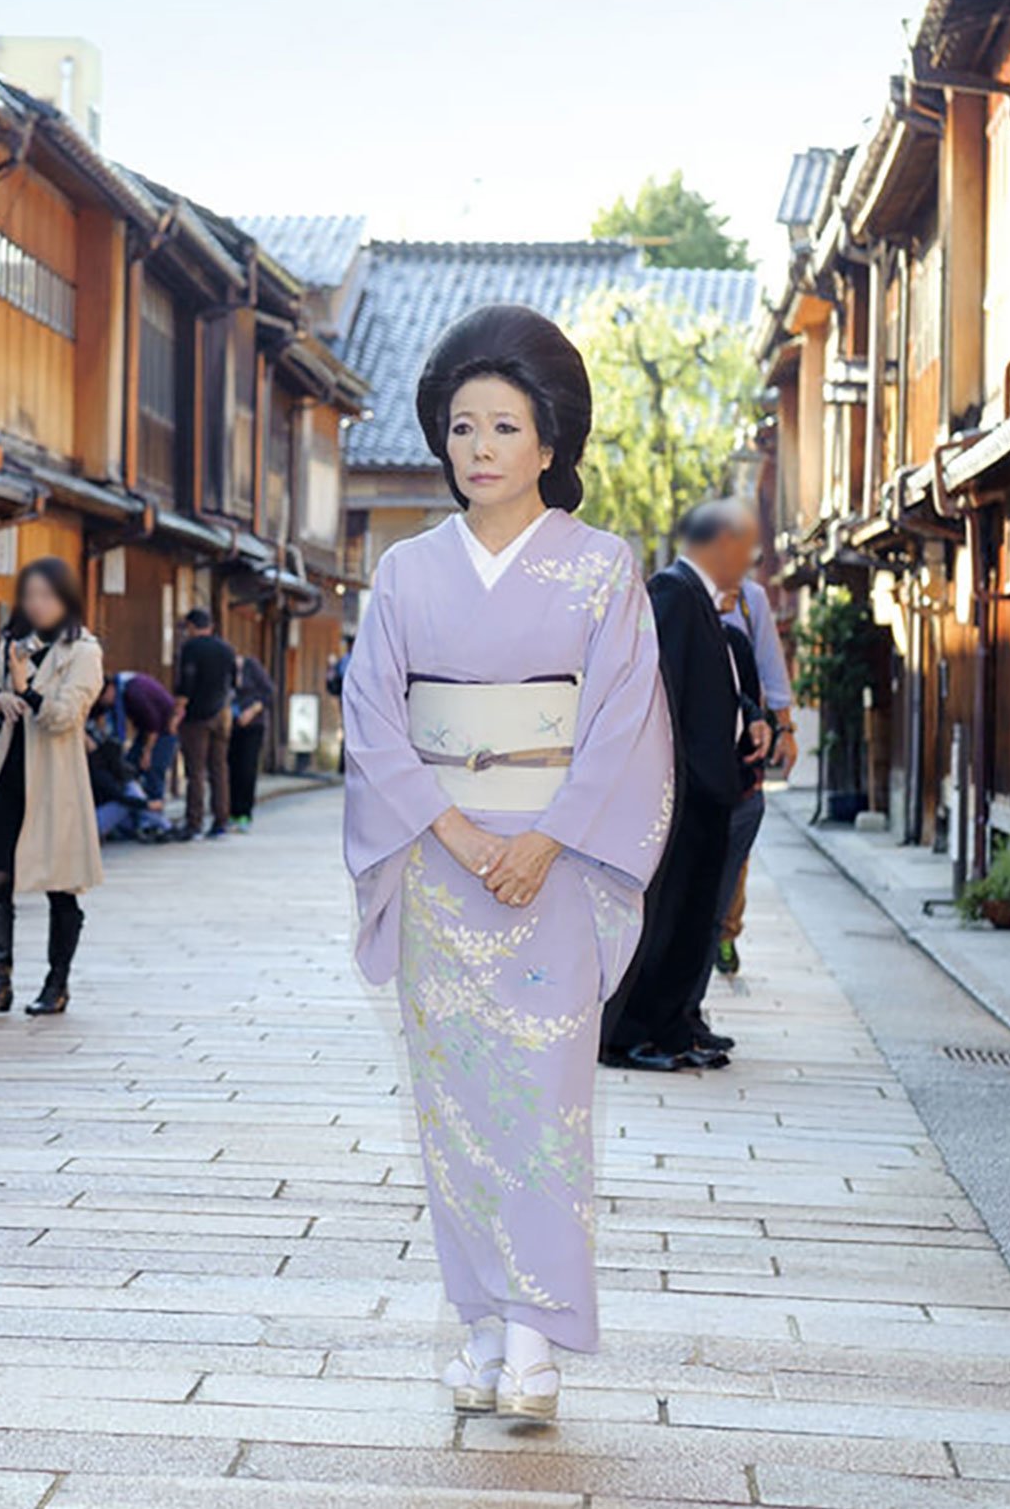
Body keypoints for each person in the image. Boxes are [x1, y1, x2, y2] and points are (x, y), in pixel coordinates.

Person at [343, 302, 675, 1424]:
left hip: (556, 866)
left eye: (502, 427)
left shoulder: (599, 571)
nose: (477, 450)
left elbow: (626, 721)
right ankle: (480, 1326)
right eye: (461, 426)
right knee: (452, 1104)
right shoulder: (404, 573)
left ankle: (533, 1334)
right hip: (445, 865)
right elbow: (375, 721)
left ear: (550, 442)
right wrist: (457, 830)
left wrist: (545, 838)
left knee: (543, 1099)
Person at [603, 502, 769, 1073]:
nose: (748, 561)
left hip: (709, 787)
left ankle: (672, 1028)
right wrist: (677, 780)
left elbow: (712, 691)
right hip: (682, 788)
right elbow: (663, 696)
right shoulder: (672, 593)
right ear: (718, 544)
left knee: (694, 917)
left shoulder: (703, 603)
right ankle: (633, 1035)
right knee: (666, 915)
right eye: (744, 548)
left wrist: (748, 716)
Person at [0, 557, 105, 1015]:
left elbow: (66, 717)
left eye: (47, 595)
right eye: (31, 595)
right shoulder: (12, 643)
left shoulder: (84, 651)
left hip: (55, 783)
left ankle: (56, 984)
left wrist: (25, 688)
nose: (37, 604)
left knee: (60, 883)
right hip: (7, 774)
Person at [713, 518, 795, 979]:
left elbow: (770, 664)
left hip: (744, 738)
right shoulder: (681, 595)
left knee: (737, 843)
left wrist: (785, 728)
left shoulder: (751, 600)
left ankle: (726, 932)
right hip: (695, 739)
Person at [174, 607, 239, 839]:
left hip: (196, 716)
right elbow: (234, 682)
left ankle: (195, 821)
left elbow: (186, 684)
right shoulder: (226, 648)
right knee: (219, 769)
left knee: (196, 771)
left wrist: (177, 712)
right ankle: (221, 820)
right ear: (210, 626)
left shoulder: (191, 648)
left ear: (192, 627)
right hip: (222, 713)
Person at [226, 652, 276, 830]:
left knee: (247, 768)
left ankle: (245, 814)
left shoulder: (252, 666)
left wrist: (253, 710)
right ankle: (231, 812)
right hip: (232, 724)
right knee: (232, 768)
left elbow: (269, 692)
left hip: (254, 724)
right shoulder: (227, 672)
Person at [114, 668, 179, 801]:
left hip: (164, 727)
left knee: (154, 769)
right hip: (150, 728)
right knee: (130, 764)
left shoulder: (133, 693)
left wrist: (147, 753)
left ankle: (154, 814)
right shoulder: (127, 686)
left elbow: (153, 725)